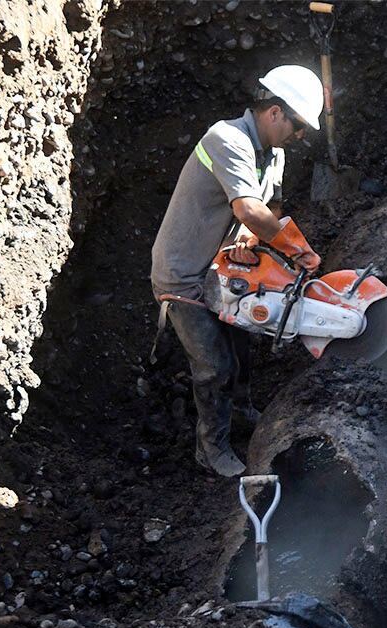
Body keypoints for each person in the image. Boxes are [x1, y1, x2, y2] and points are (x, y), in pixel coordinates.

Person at [150, 65, 324, 477]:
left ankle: (242, 411)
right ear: (274, 112)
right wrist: (295, 249)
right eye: (298, 126)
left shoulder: (273, 155)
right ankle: (211, 448)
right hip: (184, 273)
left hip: (221, 268)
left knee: (242, 346)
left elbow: (268, 210)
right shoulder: (227, 138)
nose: (299, 137)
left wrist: (249, 239)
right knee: (215, 365)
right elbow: (247, 207)